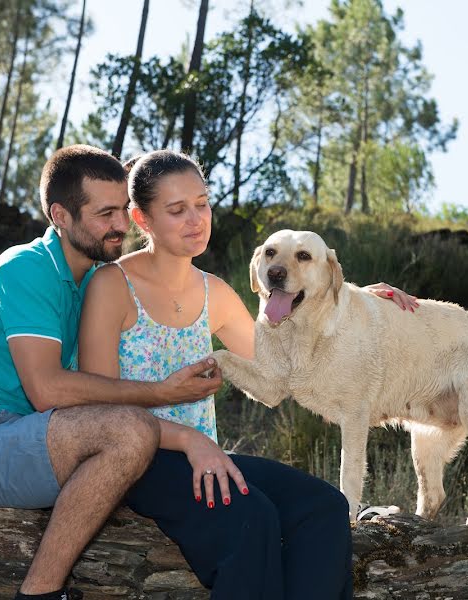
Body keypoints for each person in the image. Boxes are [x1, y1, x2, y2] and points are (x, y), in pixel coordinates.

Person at [77, 149, 419, 599]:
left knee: (324, 506)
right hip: (135, 460)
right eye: (177, 210)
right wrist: (188, 442)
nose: (195, 219)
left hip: (205, 462)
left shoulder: (213, 292)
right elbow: (100, 408)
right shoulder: (111, 285)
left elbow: (277, 367)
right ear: (142, 219)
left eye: (201, 203)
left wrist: (350, 300)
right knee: (252, 517)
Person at [0, 145, 222, 600]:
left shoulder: (96, 277)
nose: (121, 225)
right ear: (60, 215)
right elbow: (46, 389)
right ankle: (40, 593)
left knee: (133, 437)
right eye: (105, 214)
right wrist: (159, 392)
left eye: (123, 209)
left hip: (33, 434)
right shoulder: (26, 268)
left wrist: (345, 295)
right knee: (129, 432)